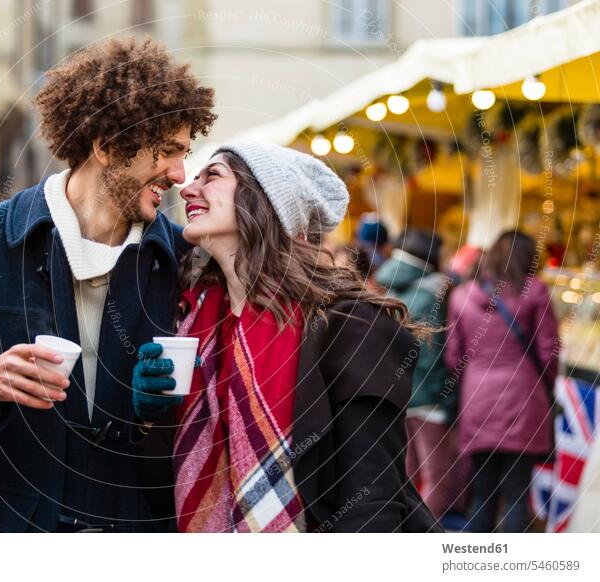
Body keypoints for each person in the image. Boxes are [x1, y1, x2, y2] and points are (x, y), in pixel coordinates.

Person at [0, 36, 216, 533]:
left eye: (184, 153)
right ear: (106, 147)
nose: (179, 173)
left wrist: (161, 412)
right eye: (167, 152)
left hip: (133, 530)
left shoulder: (185, 260)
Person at [132, 142, 440, 532]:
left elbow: (372, 502)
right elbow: (170, 493)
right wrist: (150, 419)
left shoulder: (351, 327)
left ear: (267, 200)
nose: (189, 189)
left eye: (212, 176)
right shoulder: (197, 327)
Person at [446, 230, 559, 533]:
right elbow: (549, 351)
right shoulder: (536, 292)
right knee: (517, 494)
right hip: (524, 399)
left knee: (482, 494)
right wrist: (546, 385)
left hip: (477, 398)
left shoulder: (461, 295)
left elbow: (453, 356)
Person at [375, 230, 458, 521]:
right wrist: (444, 397)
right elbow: (432, 356)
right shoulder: (431, 294)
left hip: (396, 393)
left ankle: (399, 529)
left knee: (405, 472)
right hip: (426, 398)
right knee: (437, 475)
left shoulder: (389, 287)